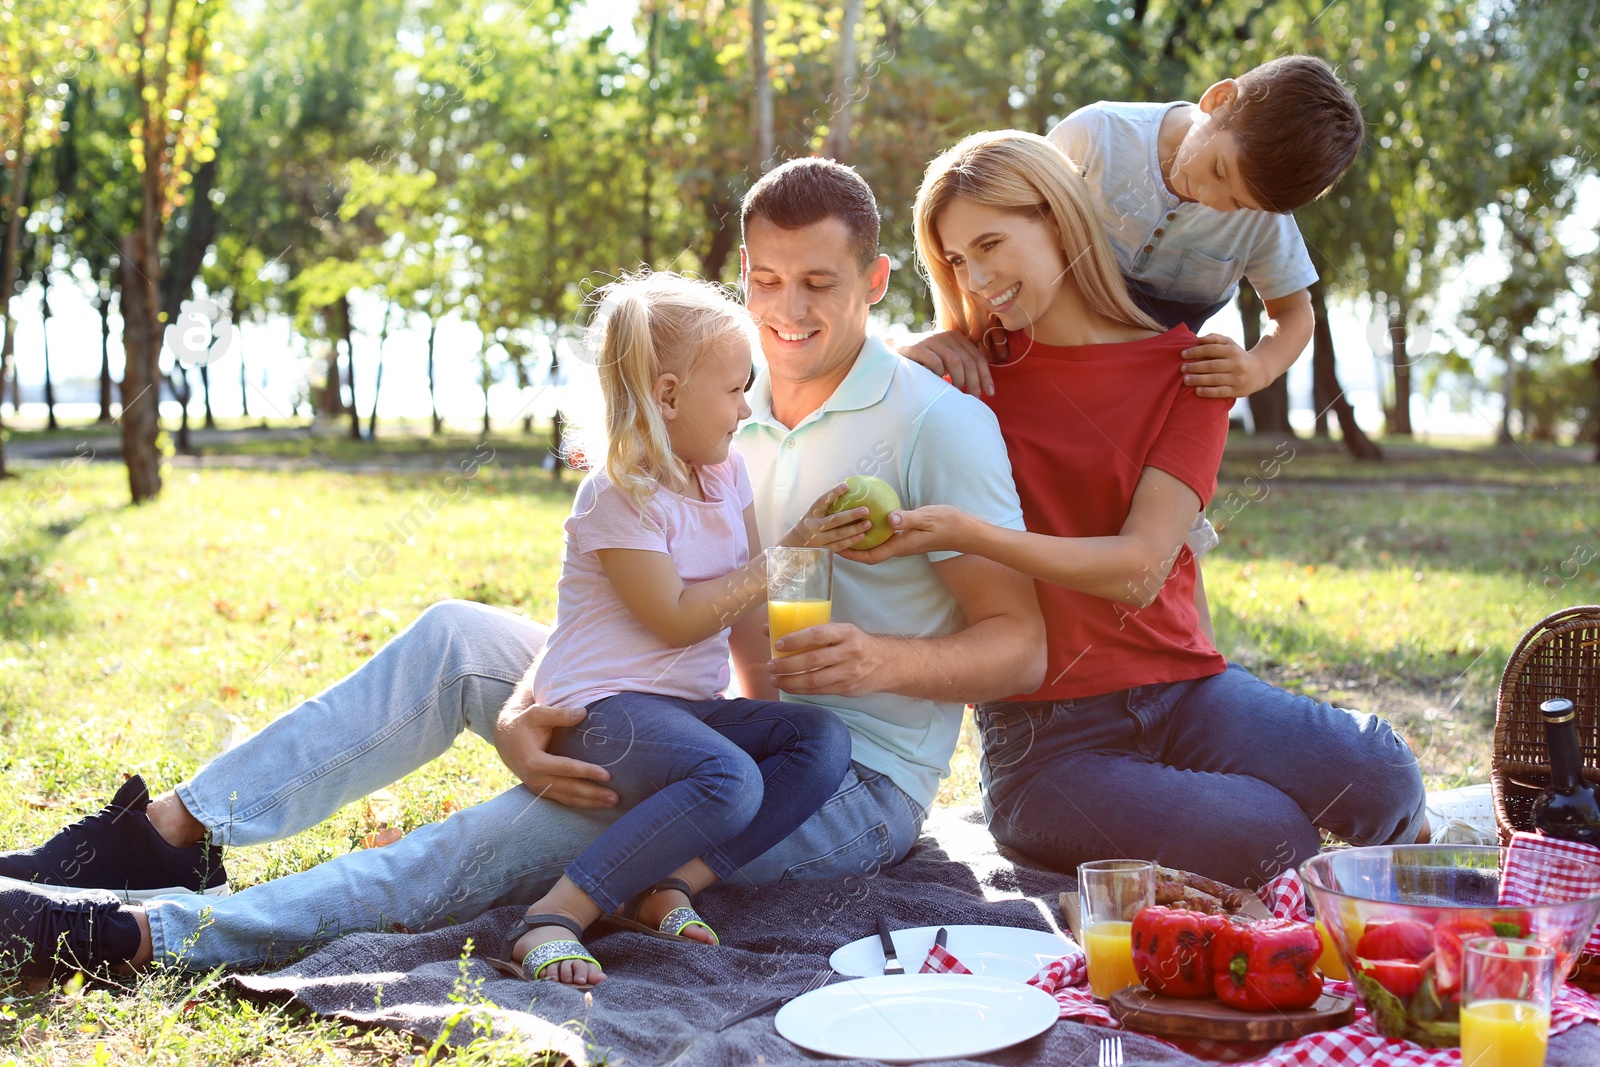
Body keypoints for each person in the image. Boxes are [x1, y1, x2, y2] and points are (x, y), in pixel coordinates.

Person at [0, 157, 1044, 978]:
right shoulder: (732, 397)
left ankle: (149, 931)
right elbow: (648, 609)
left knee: (513, 829)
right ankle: (158, 836)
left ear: (873, 280)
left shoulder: (937, 423)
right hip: (695, 708)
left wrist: (882, 662)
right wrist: (526, 705)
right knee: (459, 630)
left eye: (819, 283)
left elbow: (1019, 646)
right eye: (765, 281)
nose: (787, 311)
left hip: (841, 774)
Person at [844, 130, 1423, 889]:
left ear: (1057, 217)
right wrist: (905, 371)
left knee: (1384, 775)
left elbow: (1140, 569)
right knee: (1268, 837)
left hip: (1190, 692)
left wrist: (970, 533)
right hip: (1050, 742)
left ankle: (1376, 865)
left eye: (990, 243)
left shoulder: (1190, 370)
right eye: (956, 260)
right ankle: (1259, 843)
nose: (977, 277)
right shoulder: (960, 382)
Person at [901, 56, 1365, 642]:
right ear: (1218, 100)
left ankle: (1197, 666)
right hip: (1056, 351)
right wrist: (950, 332)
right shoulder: (1097, 134)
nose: (1218, 200)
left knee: (1171, 539)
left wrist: (1256, 366)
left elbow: (1295, 314)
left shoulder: (1260, 221)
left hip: (1151, 383)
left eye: (1241, 203)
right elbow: (1000, 218)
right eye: (1221, 171)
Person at [501, 271, 870, 986]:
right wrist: (790, 552)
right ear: (668, 394)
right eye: (734, 388)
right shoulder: (618, 494)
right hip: (598, 711)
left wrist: (801, 625)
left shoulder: (725, 473)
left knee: (819, 738)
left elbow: (748, 597)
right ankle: (553, 914)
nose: (746, 404)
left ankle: (668, 884)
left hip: (684, 709)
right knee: (728, 777)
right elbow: (673, 619)